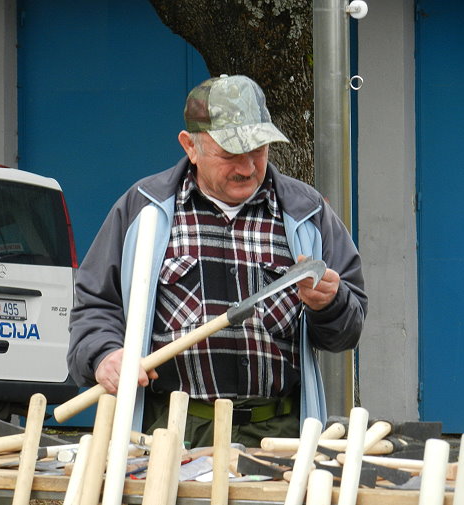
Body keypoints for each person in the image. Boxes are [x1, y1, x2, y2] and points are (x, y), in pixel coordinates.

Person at [68, 74, 367, 448]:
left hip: (279, 433)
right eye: (229, 155)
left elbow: (349, 327)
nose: (246, 168)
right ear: (190, 147)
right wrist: (105, 354)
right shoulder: (144, 210)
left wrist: (331, 303)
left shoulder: (306, 213)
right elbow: (94, 306)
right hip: (174, 430)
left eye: (258, 151)